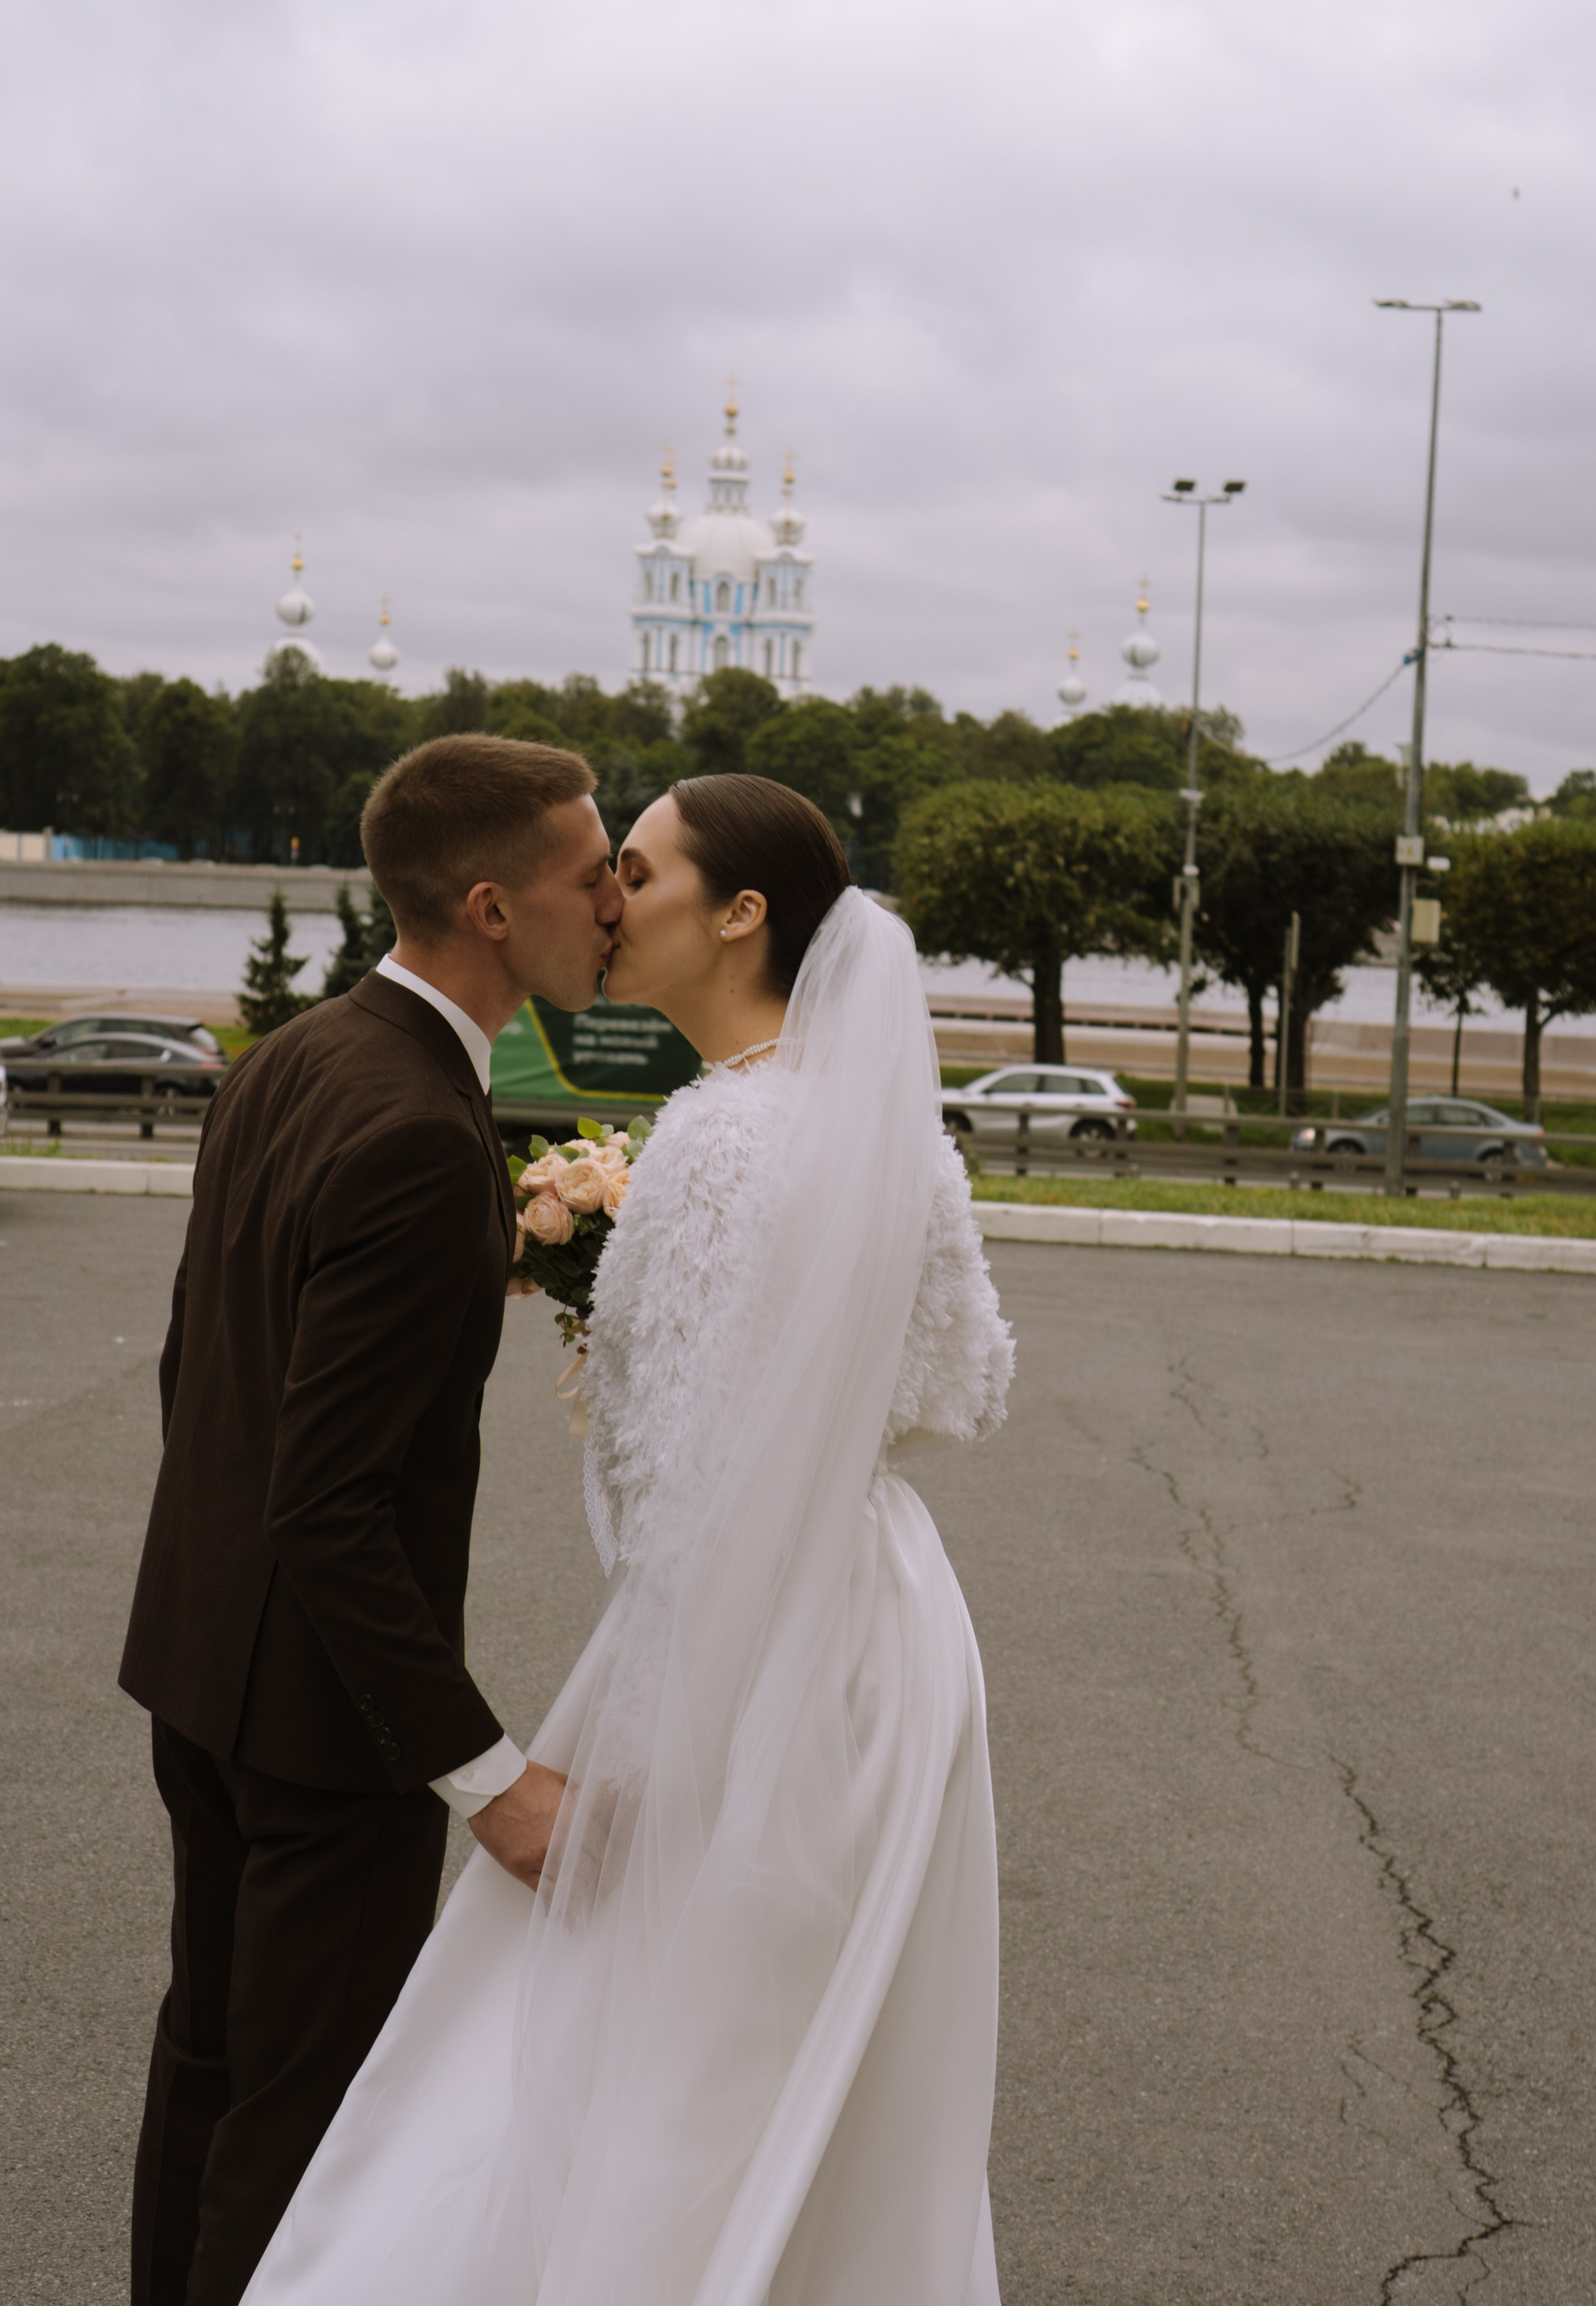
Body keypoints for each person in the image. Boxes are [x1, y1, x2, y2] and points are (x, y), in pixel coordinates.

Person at [241, 773, 1014, 2306]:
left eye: (639, 875)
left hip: (743, 1637)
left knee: (652, 2040)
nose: (609, 904)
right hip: (887, 1621)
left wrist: (663, 1705)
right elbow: (966, 1386)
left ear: (739, 915)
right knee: (806, 2048)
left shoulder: (716, 1144)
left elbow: (680, 1486)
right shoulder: (887, 1137)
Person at [120, 735, 623, 2306]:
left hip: (202, 1675)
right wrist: (488, 1779)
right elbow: (330, 1501)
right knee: (301, 2134)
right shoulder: (419, 1133)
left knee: (210, 2071)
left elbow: (199, 1369)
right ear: (490, 907)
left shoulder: (289, 1060)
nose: (614, 903)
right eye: (588, 877)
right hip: (324, 1736)